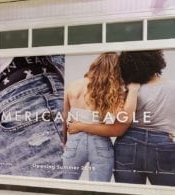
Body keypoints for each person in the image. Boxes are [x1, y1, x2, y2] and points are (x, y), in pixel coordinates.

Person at [68, 50, 175, 186]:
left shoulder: (127, 89)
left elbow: (118, 126)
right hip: (164, 144)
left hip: (128, 144)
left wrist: (80, 126)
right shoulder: (173, 87)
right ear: (156, 62)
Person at [63, 52, 139, 182]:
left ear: (96, 64)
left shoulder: (74, 85)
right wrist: (133, 91)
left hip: (74, 142)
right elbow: (124, 119)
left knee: (64, 185)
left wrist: (64, 141)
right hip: (101, 143)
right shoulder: (114, 92)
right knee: (98, 190)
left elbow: (63, 117)